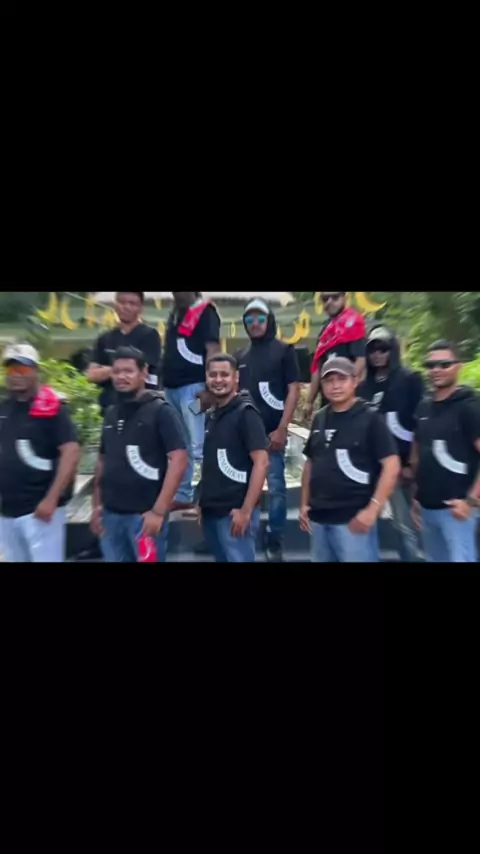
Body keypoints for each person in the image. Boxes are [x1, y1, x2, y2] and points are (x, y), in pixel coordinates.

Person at [91, 346, 188, 562]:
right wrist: (96, 506)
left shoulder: (161, 411)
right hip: (110, 517)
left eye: (128, 371)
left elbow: (179, 459)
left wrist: (158, 511)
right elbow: (102, 461)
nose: (121, 377)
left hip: (144, 519)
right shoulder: (111, 413)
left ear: (143, 373)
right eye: (116, 371)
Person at [300, 357, 400, 562]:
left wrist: (373, 509)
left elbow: (392, 465)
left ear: (355, 381)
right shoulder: (320, 417)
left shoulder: (370, 417)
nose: (335, 385)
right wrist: (303, 503)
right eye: (329, 380)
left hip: (353, 520)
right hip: (319, 519)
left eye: (341, 379)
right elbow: (310, 463)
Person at [0, 343, 80, 562]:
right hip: (7, 513)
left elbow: (71, 452)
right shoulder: (4, 409)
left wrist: (51, 499)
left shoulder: (53, 407)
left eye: (23, 369)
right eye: (11, 369)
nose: (16, 375)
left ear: (35, 371)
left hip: (41, 512)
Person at [235, 298, 300, 562]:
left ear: (269, 320)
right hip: (244, 436)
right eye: (249, 319)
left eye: (260, 318)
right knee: (239, 485)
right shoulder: (240, 356)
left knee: (276, 489)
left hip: (272, 434)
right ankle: (238, 533)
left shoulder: (284, 350)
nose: (255, 323)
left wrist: (283, 428)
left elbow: (293, 390)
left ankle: (274, 539)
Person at [357, 325, 425, 561]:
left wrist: (411, 463)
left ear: (392, 349)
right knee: (365, 522)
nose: (377, 354)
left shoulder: (410, 380)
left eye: (383, 348)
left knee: (405, 524)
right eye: (372, 349)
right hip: (369, 468)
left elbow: (420, 422)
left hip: (401, 465)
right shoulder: (363, 388)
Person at [410, 340, 480, 562]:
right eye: (431, 365)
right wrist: (416, 497)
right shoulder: (423, 407)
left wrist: (471, 501)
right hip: (427, 509)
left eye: (444, 364)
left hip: (457, 512)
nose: (436, 370)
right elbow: (419, 453)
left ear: (458, 366)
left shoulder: (469, 407)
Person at [197, 354, 269, 562]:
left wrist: (246, 511)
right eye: (213, 375)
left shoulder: (246, 413)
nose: (218, 380)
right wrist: (202, 500)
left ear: (236, 377)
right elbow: (211, 462)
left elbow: (262, 462)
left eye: (224, 374)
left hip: (234, 513)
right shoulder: (211, 414)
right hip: (212, 511)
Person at [163, 291, 221, 511]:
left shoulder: (205, 311)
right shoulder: (175, 313)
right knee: (181, 443)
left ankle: (210, 496)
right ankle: (183, 494)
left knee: (199, 444)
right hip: (171, 390)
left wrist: (210, 388)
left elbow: (213, 350)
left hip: (194, 391)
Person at [86, 292, 162, 416]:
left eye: (132, 303)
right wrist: (122, 370)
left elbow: (144, 372)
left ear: (141, 308)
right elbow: (91, 375)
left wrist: (107, 370)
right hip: (109, 408)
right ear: (115, 305)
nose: (126, 307)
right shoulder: (105, 338)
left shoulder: (149, 335)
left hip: (141, 407)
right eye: (122, 302)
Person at [305, 290, 367, 418]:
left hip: (348, 402)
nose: (329, 302)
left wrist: (345, 391)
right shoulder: (325, 330)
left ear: (344, 298)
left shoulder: (353, 322)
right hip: (328, 401)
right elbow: (317, 367)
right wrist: (309, 401)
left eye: (335, 297)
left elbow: (360, 361)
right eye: (325, 299)